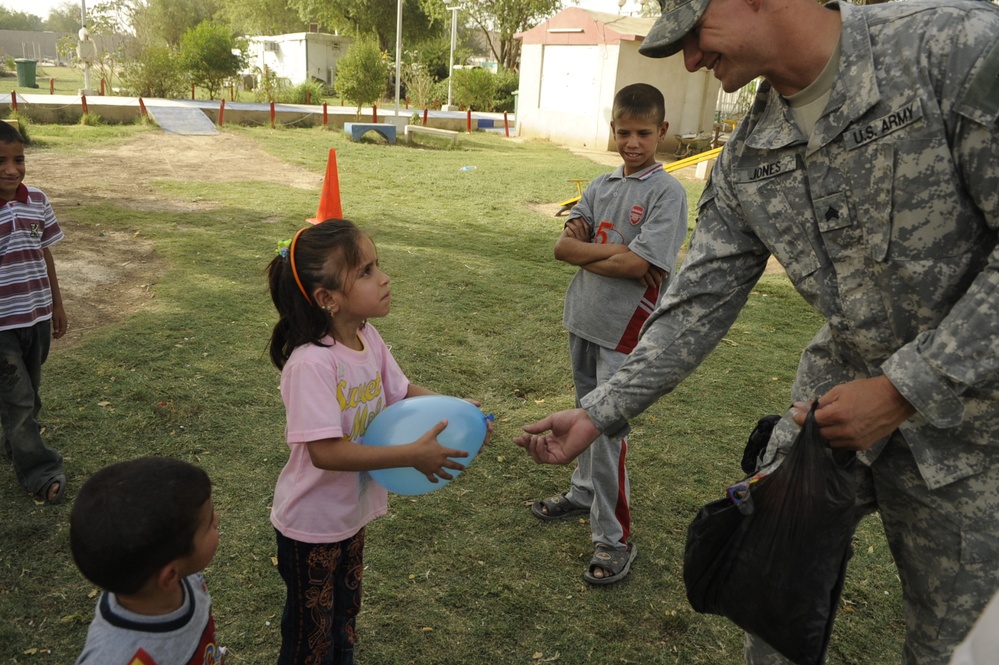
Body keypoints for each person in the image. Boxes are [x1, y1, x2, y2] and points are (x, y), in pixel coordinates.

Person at [516, 0, 999, 663]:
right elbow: (697, 301)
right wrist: (599, 411)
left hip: (976, 434)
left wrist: (902, 388)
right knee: (769, 602)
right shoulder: (748, 153)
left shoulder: (955, 49)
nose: (689, 59)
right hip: (826, 416)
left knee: (959, 642)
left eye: (693, 34)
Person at [266, 219, 488, 665]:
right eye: (365, 272)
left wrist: (456, 408)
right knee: (311, 636)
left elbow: (401, 393)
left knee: (344, 616)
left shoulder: (367, 337)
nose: (383, 278)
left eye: (377, 265)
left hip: (350, 514)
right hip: (312, 525)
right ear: (327, 299)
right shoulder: (312, 365)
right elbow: (325, 452)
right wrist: (411, 455)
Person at [530, 83, 688, 585]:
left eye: (644, 133)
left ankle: (613, 537)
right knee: (584, 414)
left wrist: (612, 254)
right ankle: (582, 493)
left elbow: (641, 263)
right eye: (624, 132)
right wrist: (613, 256)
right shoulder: (599, 186)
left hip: (625, 329)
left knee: (605, 429)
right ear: (613, 130)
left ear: (661, 132)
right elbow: (563, 248)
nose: (633, 142)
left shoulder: (668, 192)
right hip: (584, 317)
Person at [70, 456, 224, 664]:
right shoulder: (118, 658)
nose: (217, 519)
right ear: (169, 575)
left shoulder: (183, 579)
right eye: (208, 526)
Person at [0, 120, 67, 505]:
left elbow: (46, 254)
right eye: (2, 160)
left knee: (29, 393)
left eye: (19, 159)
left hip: (37, 317)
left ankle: (13, 441)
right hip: (2, 327)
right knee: (19, 398)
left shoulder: (37, 200)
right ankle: (40, 471)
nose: (12, 169)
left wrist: (57, 305)